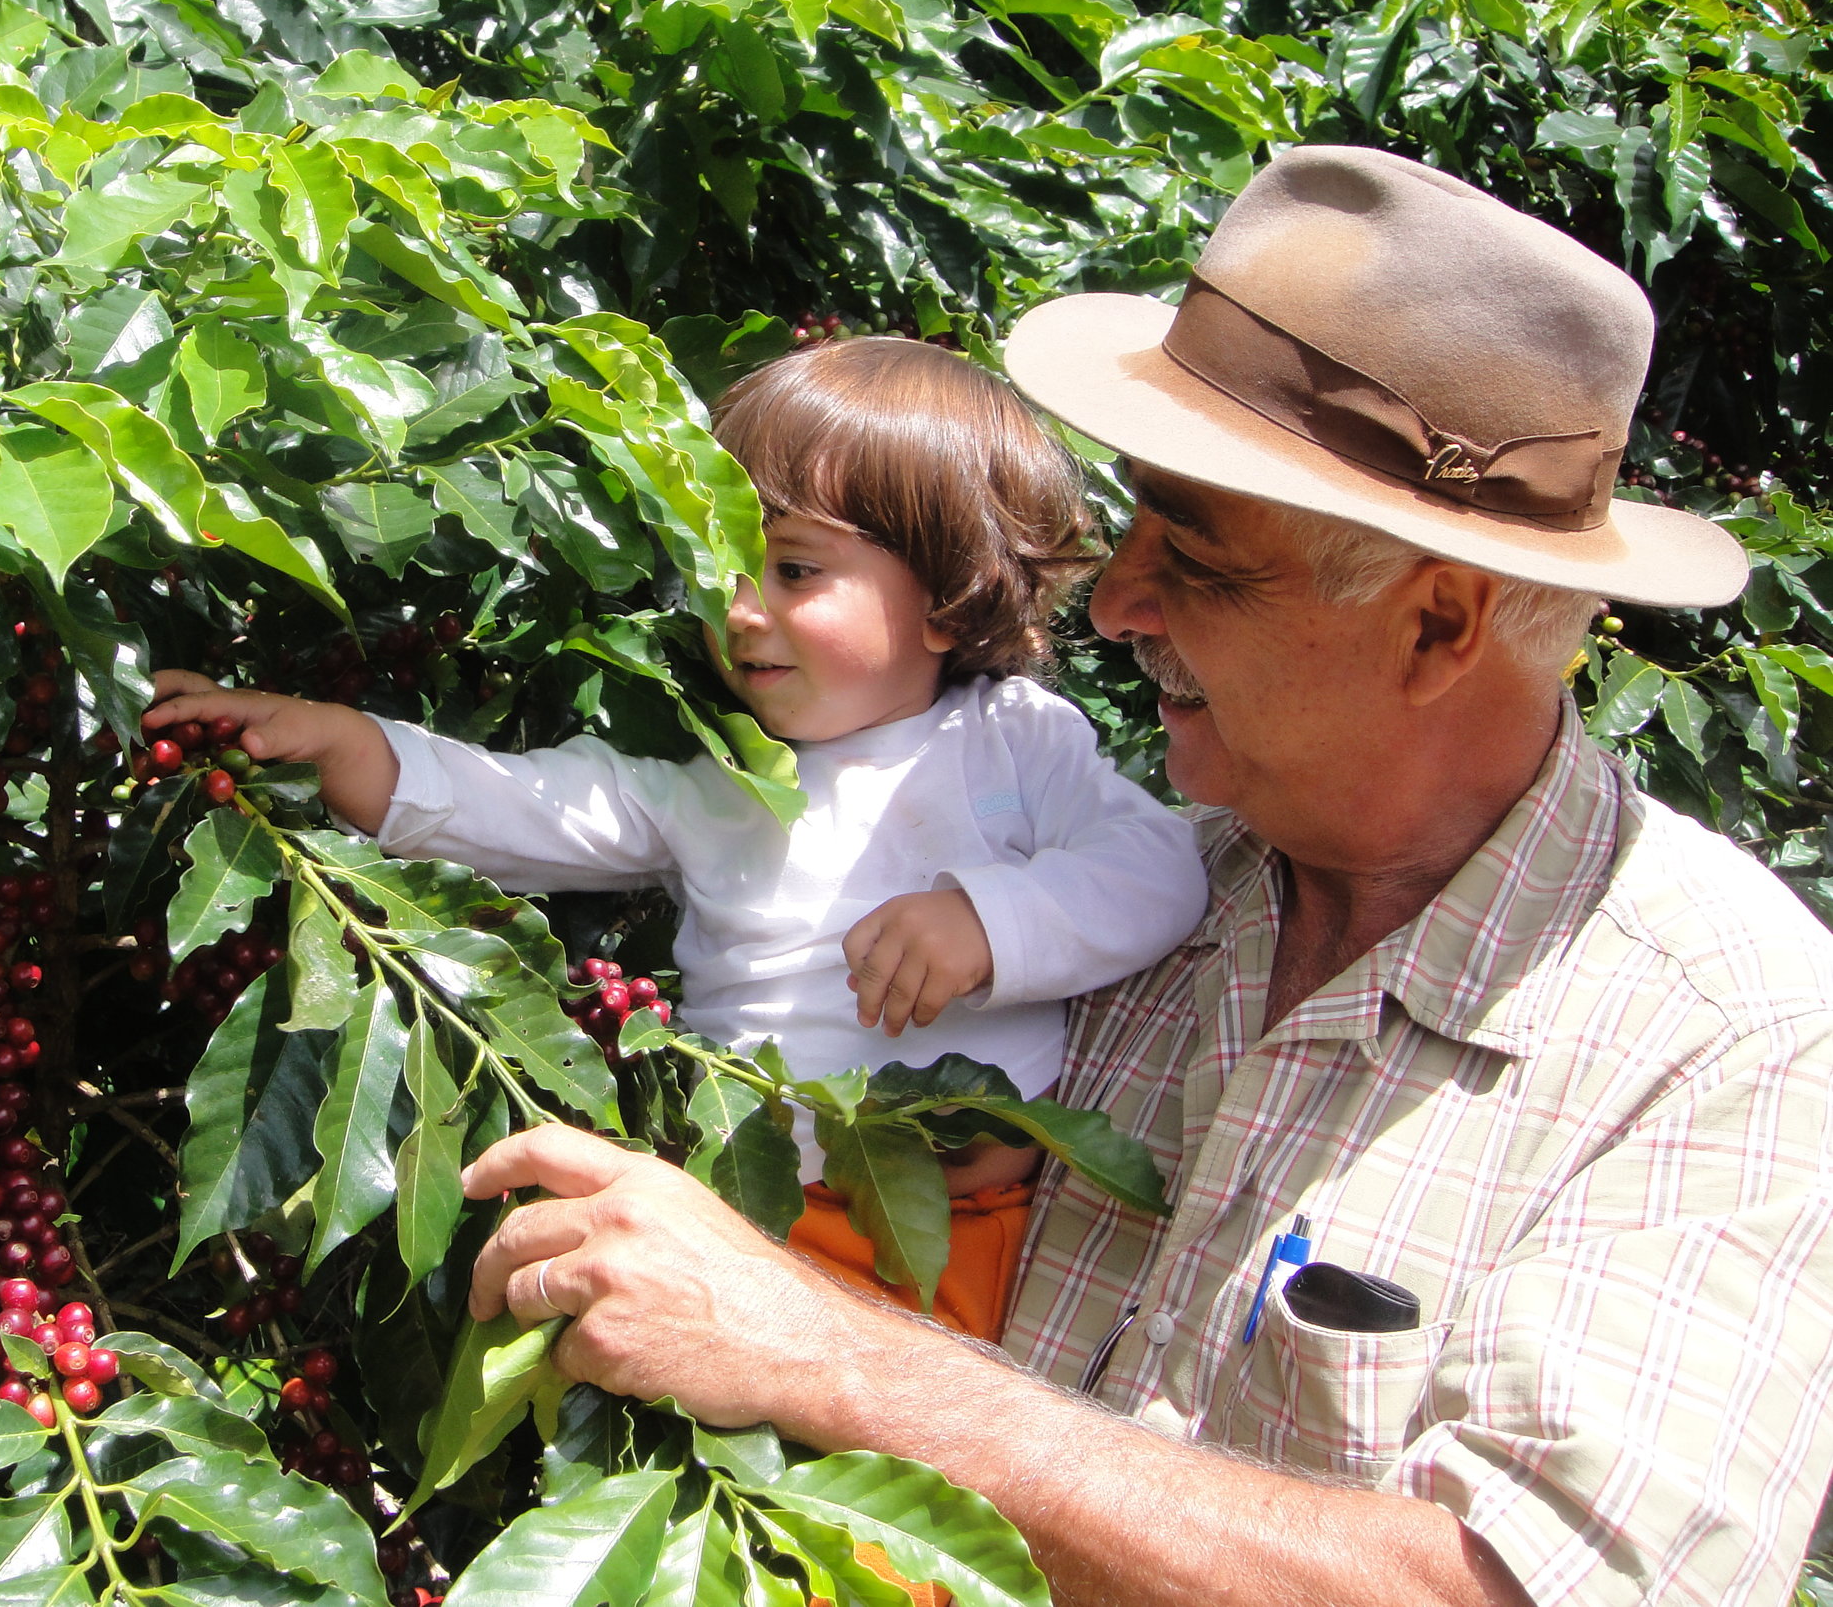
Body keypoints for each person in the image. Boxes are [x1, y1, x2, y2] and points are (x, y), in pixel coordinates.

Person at [455, 147, 1833, 1606]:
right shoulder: (1136, 897)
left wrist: (825, 1350)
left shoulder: (1731, 1041)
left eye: (1204, 556)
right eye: (1135, 521)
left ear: (1440, 624)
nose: (1112, 601)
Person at [146, 339, 1207, 1337]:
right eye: (722, 563)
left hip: (977, 1243)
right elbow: (515, 805)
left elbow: (1156, 869)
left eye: (793, 570)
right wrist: (339, 742)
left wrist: (992, 919)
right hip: (753, 1229)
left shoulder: (1011, 741)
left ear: (949, 599)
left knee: (925, 1507)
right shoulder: (714, 771)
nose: (740, 607)